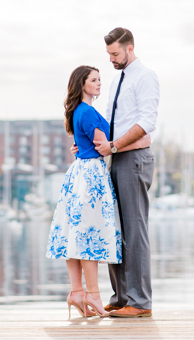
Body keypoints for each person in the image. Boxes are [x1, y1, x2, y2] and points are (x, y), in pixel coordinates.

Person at [46, 65, 151, 318]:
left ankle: (76, 292)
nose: (99, 83)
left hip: (78, 172)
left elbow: (86, 143)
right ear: (82, 83)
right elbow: (104, 147)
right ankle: (92, 294)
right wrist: (139, 142)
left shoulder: (76, 112)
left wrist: (83, 148)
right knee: (88, 234)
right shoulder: (90, 113)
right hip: (92, 174)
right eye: (94, 79)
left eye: (100, 79)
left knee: (74, 232)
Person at [79, 27, 160, 318]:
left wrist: (113, 145)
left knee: (135, 230)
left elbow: (146, 121)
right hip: (114, 158)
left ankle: (139, 303)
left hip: (134, 158)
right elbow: (114, 123)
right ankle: (122, 296)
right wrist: (92, 146)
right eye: (108, 54)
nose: (112, 59)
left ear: (129, 48)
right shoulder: (116, 82)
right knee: (115, 229)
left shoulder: (145, 77)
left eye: (115, 53)